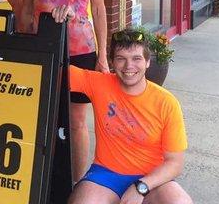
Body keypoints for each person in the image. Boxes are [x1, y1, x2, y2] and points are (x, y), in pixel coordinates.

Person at [21, 0, 108, 183]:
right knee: (43, 118)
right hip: (43, 51)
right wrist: (22, 51)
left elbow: (99, 9)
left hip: (80, 51)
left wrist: (103, 55)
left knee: (76, 121)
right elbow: (26, 10)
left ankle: (78, 183)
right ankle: (46, 182)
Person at [65, 27, 192, 204]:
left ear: (148, 62)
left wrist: (141, 186)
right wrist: (62, 23)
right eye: (121, 58)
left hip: (151, 177)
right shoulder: (98, 83)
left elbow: (175, 163)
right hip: (106, 174)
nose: (128, 66)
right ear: (112, 62)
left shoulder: (166, 103)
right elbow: (52, 66)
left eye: (136, 58)